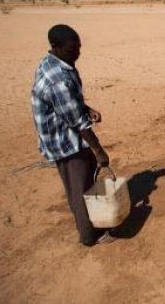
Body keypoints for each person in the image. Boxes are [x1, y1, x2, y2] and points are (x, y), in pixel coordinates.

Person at [31, 24, 115, 246]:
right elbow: (76, 121)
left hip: (69, 134)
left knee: (85, 181)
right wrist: (99, 151)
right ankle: (89, 236)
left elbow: (69, 103)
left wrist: (86, 108)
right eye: (71, 50)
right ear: (55, 47)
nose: (77, 54)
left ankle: (92, 223)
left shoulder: (57, 62)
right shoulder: (57, 78)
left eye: (78, 48)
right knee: (79, 189)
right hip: (65, 141)